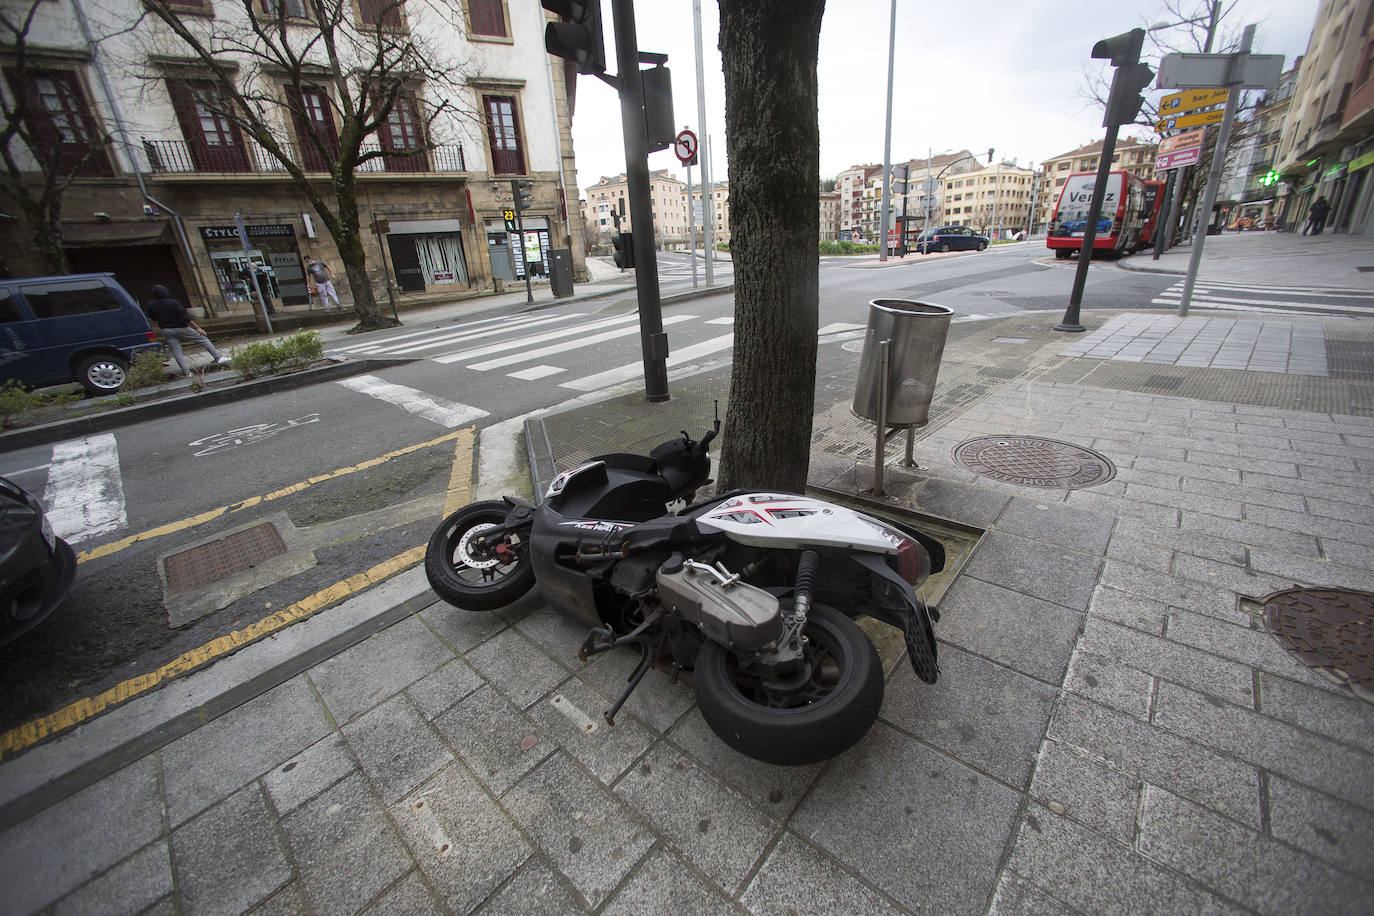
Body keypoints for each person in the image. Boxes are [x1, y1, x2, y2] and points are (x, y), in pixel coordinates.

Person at [144, 284, 232, 377]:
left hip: (166, 330)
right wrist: (197, 328)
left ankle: (187, 372)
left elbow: (153, 318)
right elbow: (185, 317)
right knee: (203, 339)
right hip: (181, 327)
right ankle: (218, 357)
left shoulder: (150, 305)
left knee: (176, 352)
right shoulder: (173, 302)